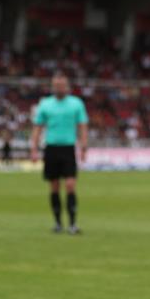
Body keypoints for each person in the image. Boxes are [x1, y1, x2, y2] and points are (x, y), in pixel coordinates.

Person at [30, 72, 89, 234]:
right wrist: (33, 149)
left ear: (67, 86)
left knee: (70, 185)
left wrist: (84, 147)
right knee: (54, 187)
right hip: (51, 148)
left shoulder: (76, 104)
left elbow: (82, 126)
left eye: (62, 85)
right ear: (52, 87)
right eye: (56, 86)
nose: (59, 88)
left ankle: (72, 224)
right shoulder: (45, 104)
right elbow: (37, 127)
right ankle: (57, 223)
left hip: (68, 148)